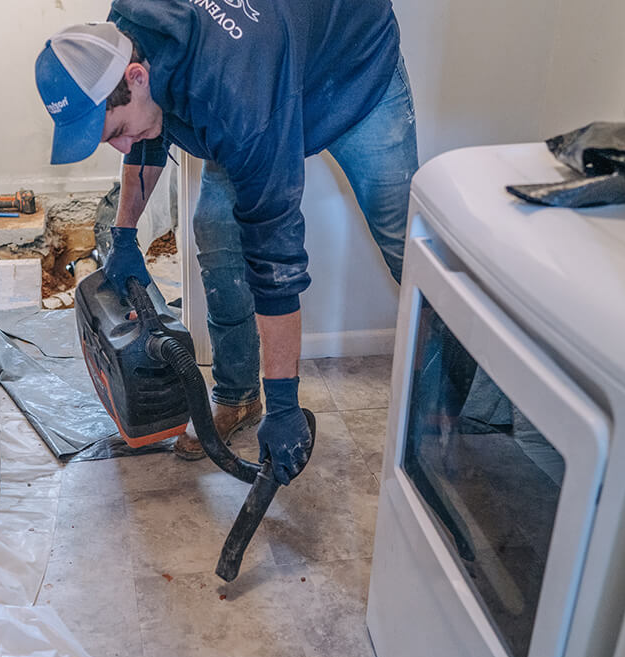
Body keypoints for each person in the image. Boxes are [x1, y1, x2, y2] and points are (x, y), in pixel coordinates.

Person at [35, 0, 417, 486]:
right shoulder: (128, 24)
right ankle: (237, 396)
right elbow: (150, 132)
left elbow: (275, 258)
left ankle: (455, 410)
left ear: (134, 77)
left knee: (408, 244)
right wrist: (125, 233)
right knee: (216, 227)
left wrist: (285, 403)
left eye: (116, 132)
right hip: (264, 68)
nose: (122, 147)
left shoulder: (233, 94)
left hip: (352, 70)